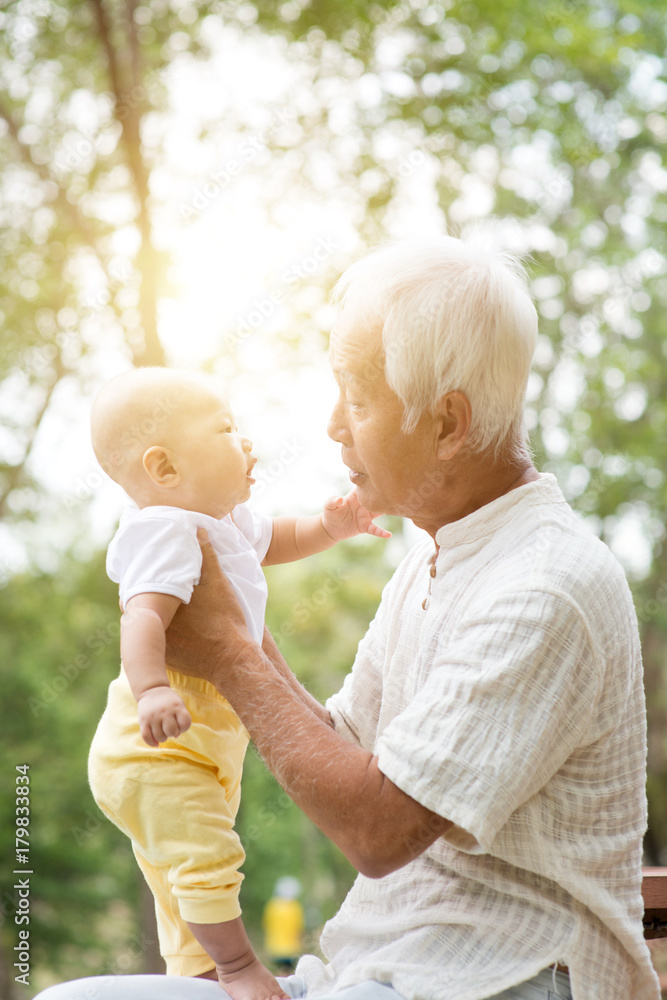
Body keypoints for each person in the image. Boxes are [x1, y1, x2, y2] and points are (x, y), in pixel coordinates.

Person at [35, 234, 660, 1000]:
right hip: (373, 975)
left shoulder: (544, 583)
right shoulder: (431, 558)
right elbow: (345, 757)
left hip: (504, 975)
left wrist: (232, 656)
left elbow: (376, 828)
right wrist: (239, 642)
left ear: (447, 424)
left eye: (357, 400)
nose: (332, 425)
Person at [85, 367, 391, 1000]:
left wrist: (331, 527)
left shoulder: (223, 521)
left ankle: (196, 973)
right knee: (207, 860)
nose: (246, 441)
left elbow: (275, 539)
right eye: (226, 429)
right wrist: (151, 691)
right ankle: (237, 969)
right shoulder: (164, 528)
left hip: (202, 745)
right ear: (164, 468)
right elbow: (142, 614)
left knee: (182, 878)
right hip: (158, 746)